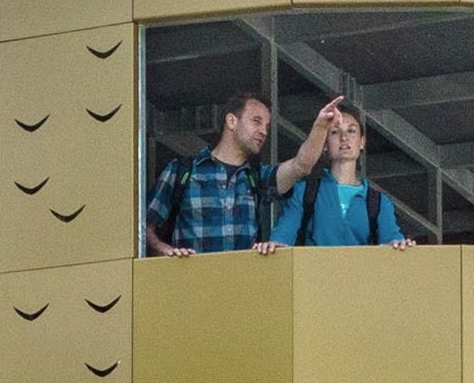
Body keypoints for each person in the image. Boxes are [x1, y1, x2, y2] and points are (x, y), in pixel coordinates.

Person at [142, 88, 328, 257]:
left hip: (242, 281)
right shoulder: (182, 170)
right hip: (190, 281)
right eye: (256, 121)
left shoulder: (257, 177)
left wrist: (321, 127)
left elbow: (301, 166)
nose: (264, 132)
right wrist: (163, 249)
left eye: (266, 126)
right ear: (232, 121)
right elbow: (143, 228)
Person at [267, 98, 410, 246]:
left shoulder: (378, 201)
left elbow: (393, 241)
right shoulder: (304, 192)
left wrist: (401, 245)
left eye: (351, 131)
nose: (344, 138)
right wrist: (274, 245)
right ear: (325, 144)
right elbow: (282, 236)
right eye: (335, 132)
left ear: (362, 142)